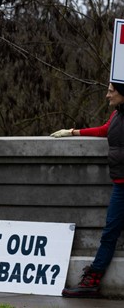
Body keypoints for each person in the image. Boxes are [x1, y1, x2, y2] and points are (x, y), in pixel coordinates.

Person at [52, 82, 124, 298]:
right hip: (120, 185)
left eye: (111, 91)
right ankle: (91, 282)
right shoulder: (116, 115)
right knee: (109, 234)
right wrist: (72, 132)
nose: (106, 95)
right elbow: (104, 130)